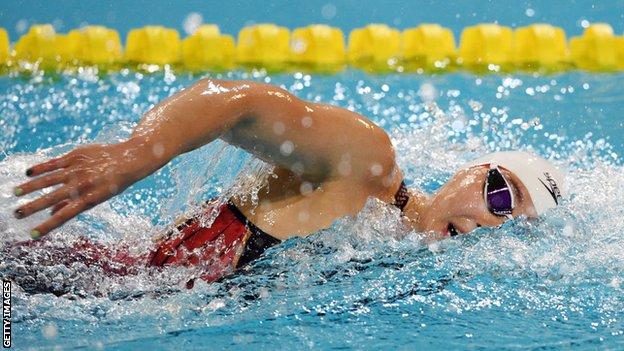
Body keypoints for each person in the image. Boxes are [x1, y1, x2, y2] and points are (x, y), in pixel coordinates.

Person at [10, 79, 567, 285]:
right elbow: (240, 105)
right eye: (501, 193)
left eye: (513, 226)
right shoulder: (367, 162)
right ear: (472, 171)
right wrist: (134, 156)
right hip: (70, 276)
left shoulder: (396, 251)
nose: (492, 224)